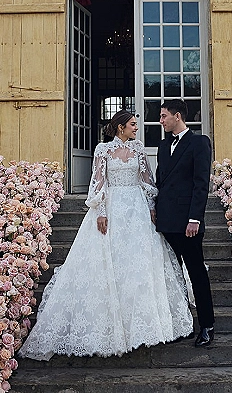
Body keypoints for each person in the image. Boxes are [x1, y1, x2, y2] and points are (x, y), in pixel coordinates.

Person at [20, 110, 193, 360]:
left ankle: (144, 327)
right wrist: (101, 211)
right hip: (112, 207)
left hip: (137, 210)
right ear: (121, 127)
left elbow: (147, 180)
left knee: (139, 265)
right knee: (110, 262)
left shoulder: (139, 149)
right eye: (133, 125)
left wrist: (153, 207)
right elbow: (98, 182)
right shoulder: (102, 149)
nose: (136, 128)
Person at [154, 99, 215, 348]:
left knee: (196, 273)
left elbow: (201, 184)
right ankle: (181, 324)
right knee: (173, 275)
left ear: (177, 116)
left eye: (164, 116)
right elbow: (161, 182)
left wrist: (194, 219)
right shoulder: (162, 145)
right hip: (166, 221)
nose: (161, 120)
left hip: (187, 222)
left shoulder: (199, 143)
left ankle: (207, 326)